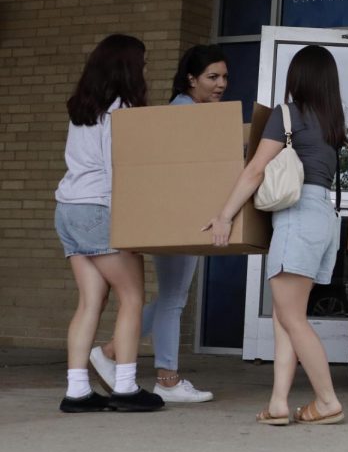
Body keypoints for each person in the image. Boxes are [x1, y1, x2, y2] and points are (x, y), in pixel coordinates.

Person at [204, 45, 345, 426]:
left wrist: (224, 215)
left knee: (293, 319)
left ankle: (328, 401)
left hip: (297, 218)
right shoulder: (332, 125)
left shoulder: (287, 114)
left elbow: (255, 171)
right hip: (323, 220)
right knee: (287, 316)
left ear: (297, 78)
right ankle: (279, 402)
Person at [90, 45, 227, 402]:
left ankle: (109, 352)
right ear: (191, 79)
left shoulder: (191, 112)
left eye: (224, 77)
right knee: (173, 300)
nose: (220, 84)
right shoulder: (184, 114)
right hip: (178, 219)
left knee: (172, 297)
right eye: (212, 77)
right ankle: (166, 379)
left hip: (180, 217)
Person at [55, 34, 163, 412]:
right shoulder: (122, 109)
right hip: (102, 209)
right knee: (132, 297)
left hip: (68, 209)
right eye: (143, 61)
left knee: (89, 302)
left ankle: (77, 391)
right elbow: (120, 170)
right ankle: (126, 386)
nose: (146, 68)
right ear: (128, 67)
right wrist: (129, 225)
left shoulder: (82, 107)